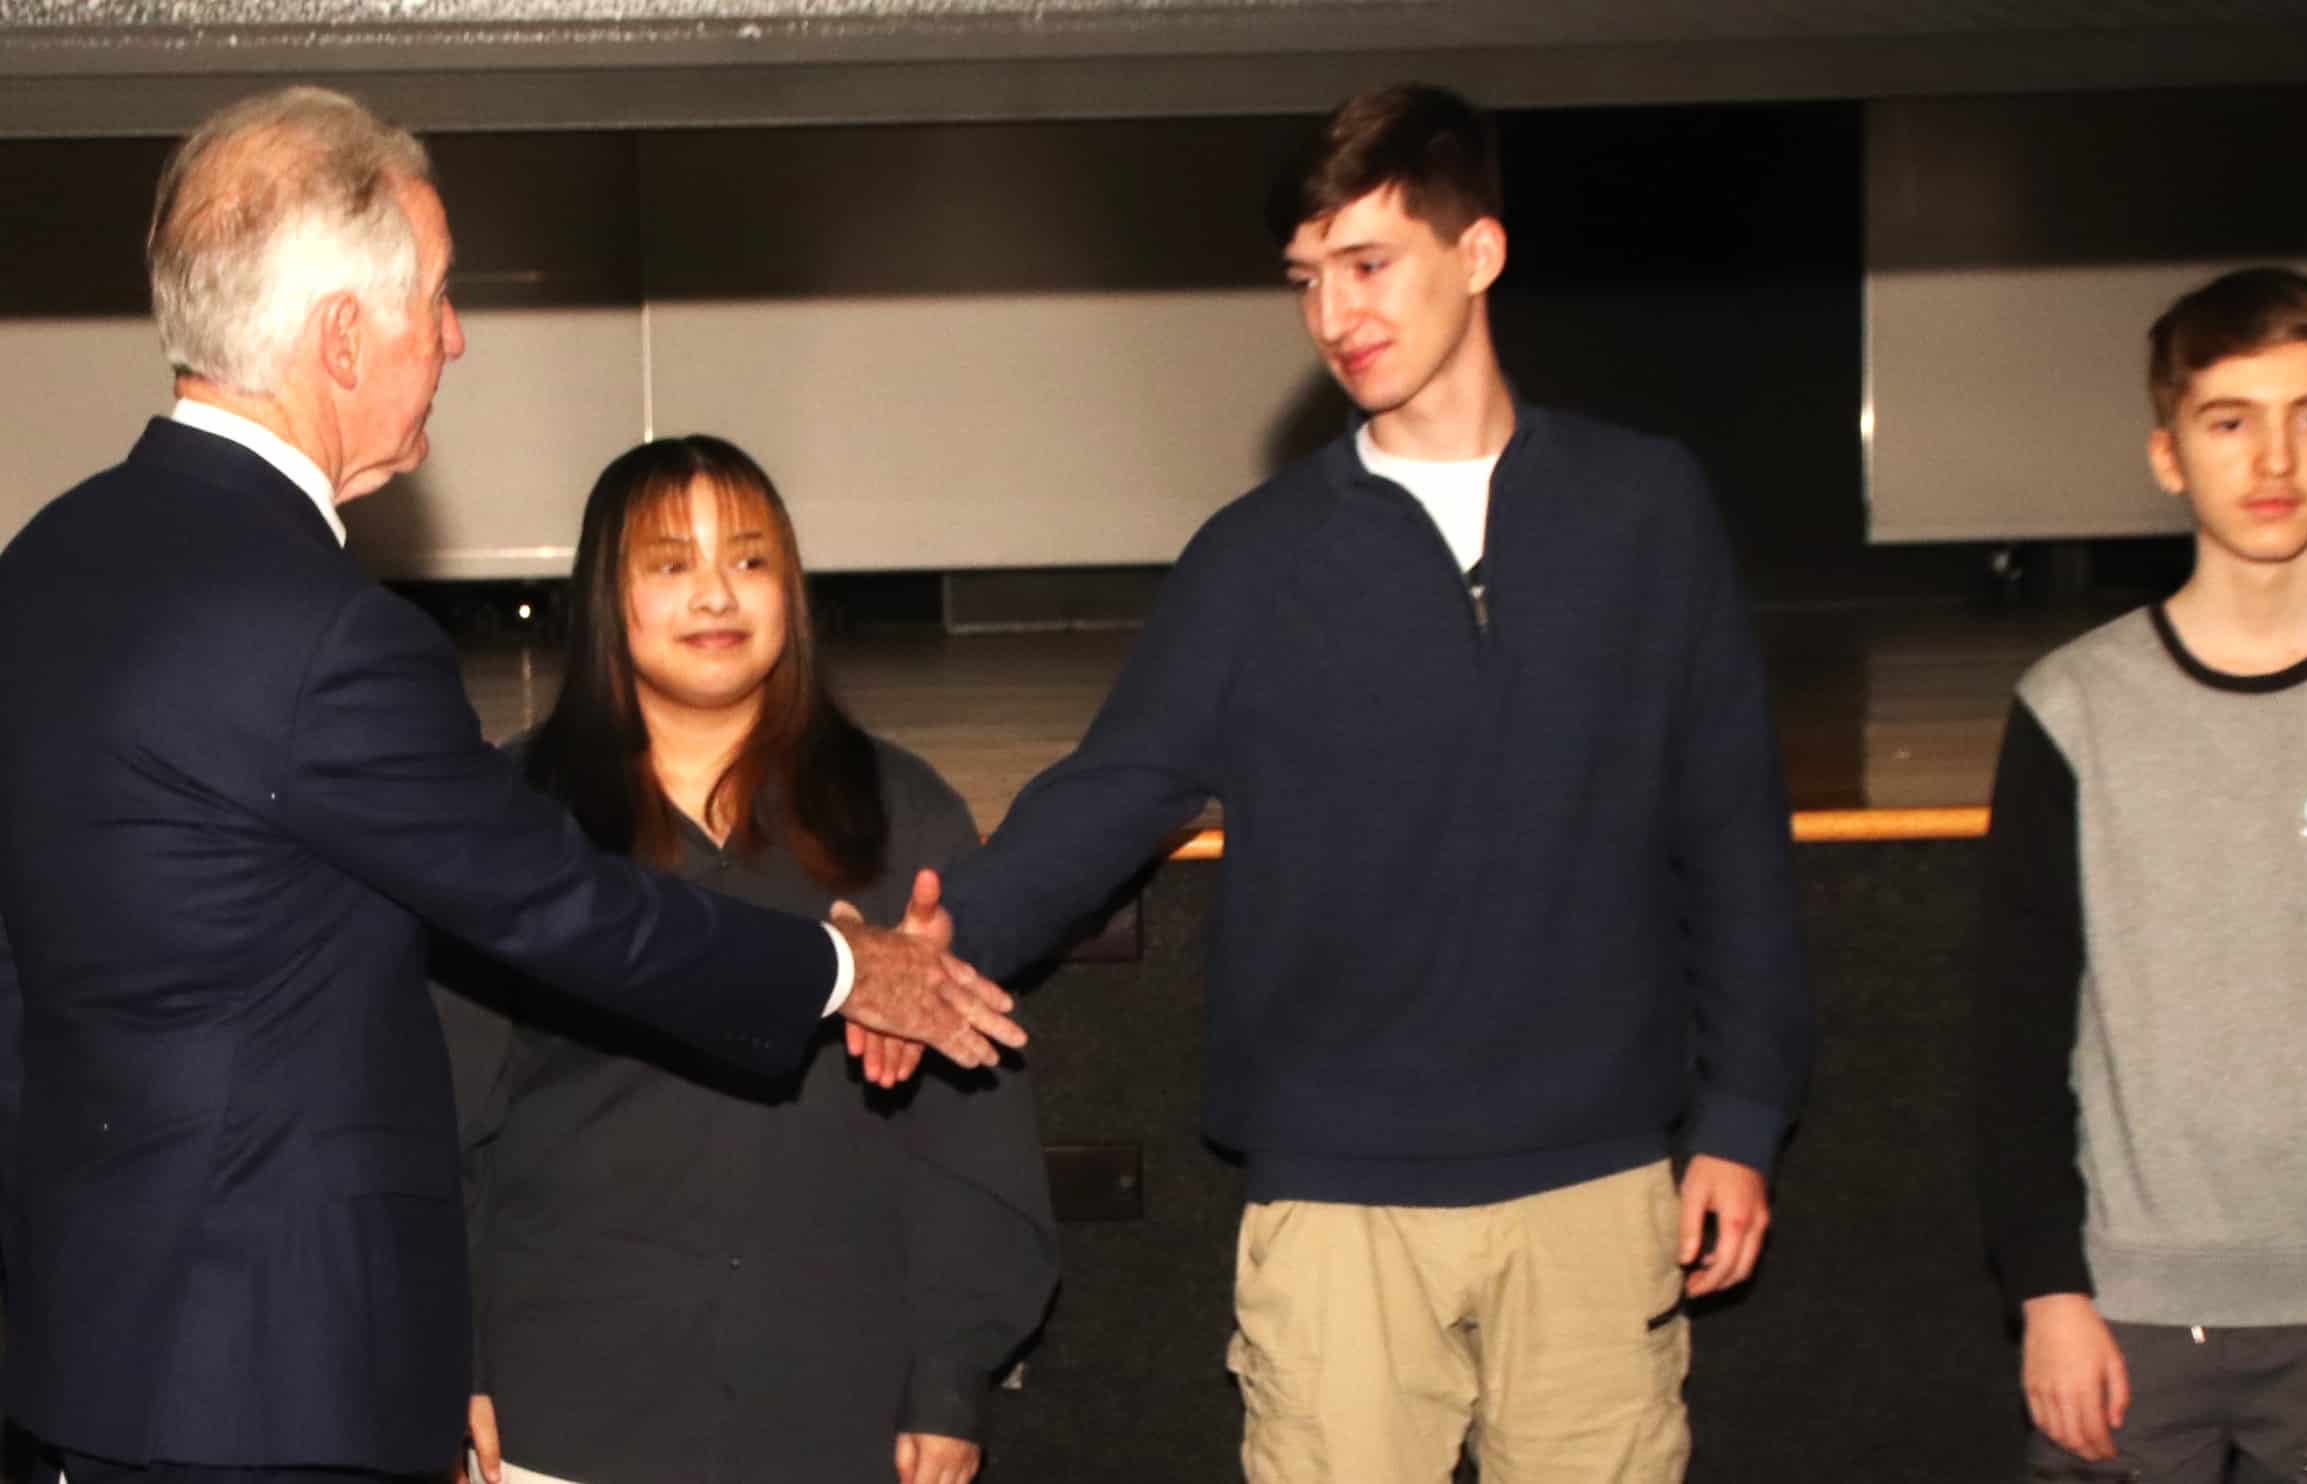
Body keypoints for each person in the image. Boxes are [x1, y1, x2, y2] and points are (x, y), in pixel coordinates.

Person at [0, 86, 1021, 1484]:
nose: (457, 336)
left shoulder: (48, 564)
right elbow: (562, 909)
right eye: (437, 296)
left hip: (90, 1348)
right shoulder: (325, 632)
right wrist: (849, 972)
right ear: (343, 337)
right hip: (279, 1377)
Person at [896, 83, 1813, 1482]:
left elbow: (1731, 829)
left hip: (1595, 1181)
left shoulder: (1645, 511)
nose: (1333, 313)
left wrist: (1744, 1114)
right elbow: (1114, 790)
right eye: (1306, 278)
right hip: (1337, 1198)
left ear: (1479, 251)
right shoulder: (1255, 557)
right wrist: (931, 946)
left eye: (1369, 263)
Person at [1975, 266, 2307, 1482]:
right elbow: (2015, 1033)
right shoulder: (2071, 707)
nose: (2275, 457)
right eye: (2230, 420)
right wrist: (2049, 1290)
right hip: (2122, 1309)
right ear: (2169, 453)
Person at [434, 436, 1056, 1484]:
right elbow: (437, 1117)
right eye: (672, 562)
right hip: (564, 1401)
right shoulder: (513, 817)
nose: (717, 594)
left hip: (836, 1401)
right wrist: (452, 1355)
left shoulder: (898, 814)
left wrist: (949, 1378)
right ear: (607, 595)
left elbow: (973, 1135)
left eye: (751, 559)